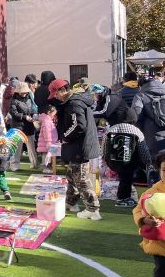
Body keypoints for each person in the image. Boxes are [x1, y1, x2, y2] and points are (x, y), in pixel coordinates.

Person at [49, 78, 102, 220]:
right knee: (72, 176)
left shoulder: (74, 102)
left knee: (81, 178)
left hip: (79, 146)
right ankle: (71, 202)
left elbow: (79, 125)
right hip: (78, 145)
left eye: (55, 93)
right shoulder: (73, 101)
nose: (55, 97)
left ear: (62, 90)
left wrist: (65, 136)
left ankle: (93, 209)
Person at [133, 151, 165, 277]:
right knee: (162, 271)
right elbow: (137, 210)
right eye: (164, 170)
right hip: (160, 243)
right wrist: (145, 220)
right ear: (159, 170)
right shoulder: (153, 192)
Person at [102, 108, 152, 208]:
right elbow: (143, 148)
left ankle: (124, 197)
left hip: (113, 160)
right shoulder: (136, 131)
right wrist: (147, 162)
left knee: (123, 178)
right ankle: (122, 198)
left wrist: (105, 159)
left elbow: (104, 146)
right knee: (126, 178)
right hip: (130, 161)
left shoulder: (111, 129)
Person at [132, 76, 165, 158]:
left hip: (151, 137)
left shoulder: (140, 96)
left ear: (140, 86)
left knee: (156, 165)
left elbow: (135, 117)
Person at [9, 82, 38, 170]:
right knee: (17, 147)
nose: (24, 93)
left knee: (32, 147)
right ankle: (14, 166)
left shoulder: (30, 99)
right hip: (18, 126)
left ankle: (34, 164)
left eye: (26, 92)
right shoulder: (14, 101)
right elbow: (14, 113)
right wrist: (25, 117)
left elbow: (32, 109)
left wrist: (34, 115)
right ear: (17, 92)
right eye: (23, 92)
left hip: (29, 126)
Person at [37, 105, 59, 173]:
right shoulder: (47, 121)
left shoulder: (48, 120)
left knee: (50, 156)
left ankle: (49, 167)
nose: (54, 115)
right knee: (47, 157)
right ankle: (46, 168)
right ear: (49, 112)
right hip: (48, 142)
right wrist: (48, 142)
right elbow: (47, 133)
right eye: (53, 114)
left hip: (51, 142)